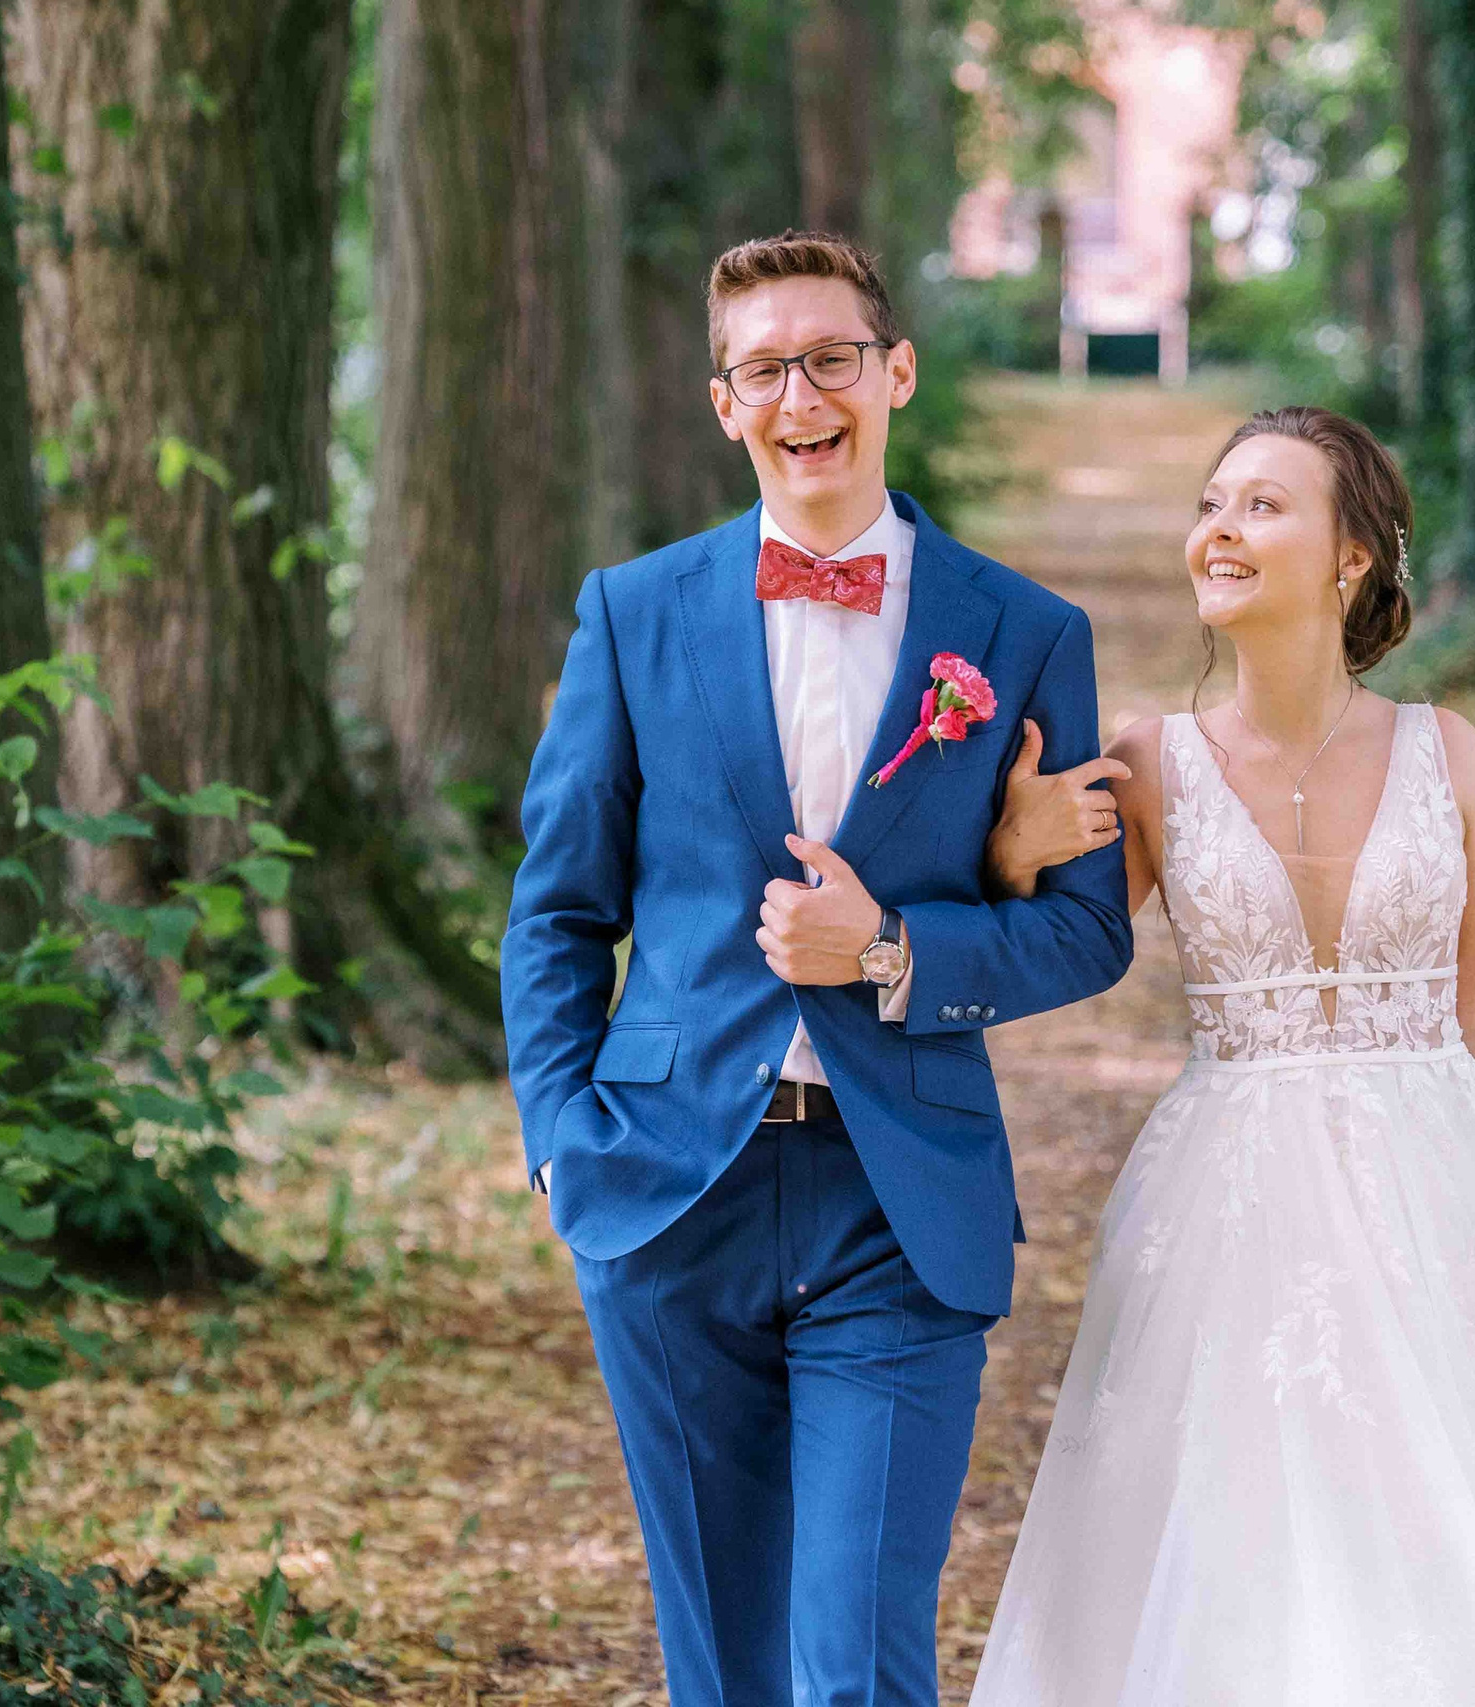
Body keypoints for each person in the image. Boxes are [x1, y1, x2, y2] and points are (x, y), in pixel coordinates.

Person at [968, 407, 1475, 1706]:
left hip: (1449, 1189)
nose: (1220, 529)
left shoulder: (1444, 748)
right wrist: (1014, 855)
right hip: (1235, 1203)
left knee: (1469, 1521)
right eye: (1212, 503)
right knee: (1254, 1530)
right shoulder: (1150, 761)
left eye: (1262, 505)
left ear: (1351, 557)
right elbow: (1061, 951)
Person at [499, 230, 1132, 1707]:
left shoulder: (1026, 633)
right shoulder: (634, 612)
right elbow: (558, 909)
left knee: (857, 1665)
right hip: (666, 1187)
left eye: (832, 358)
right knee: (724, 1667)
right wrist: (560, 1139)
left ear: (894, 372)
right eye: (766, 369)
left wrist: (895, 949)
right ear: (725, 402)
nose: (804, 396)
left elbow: (1087, 927)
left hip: (896, 1193)